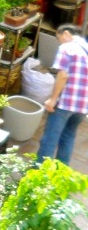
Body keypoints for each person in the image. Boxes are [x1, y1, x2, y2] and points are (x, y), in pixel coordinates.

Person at [38, 24, 88, 165]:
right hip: (83, 105)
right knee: (68, 136)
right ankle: (61, 176)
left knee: (49, 139)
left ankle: (39, 177)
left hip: (66, 103)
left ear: (66, 33)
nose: (60, 43)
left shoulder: (68, 48)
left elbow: (63, 75)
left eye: (59, 39)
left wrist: (52, 100)